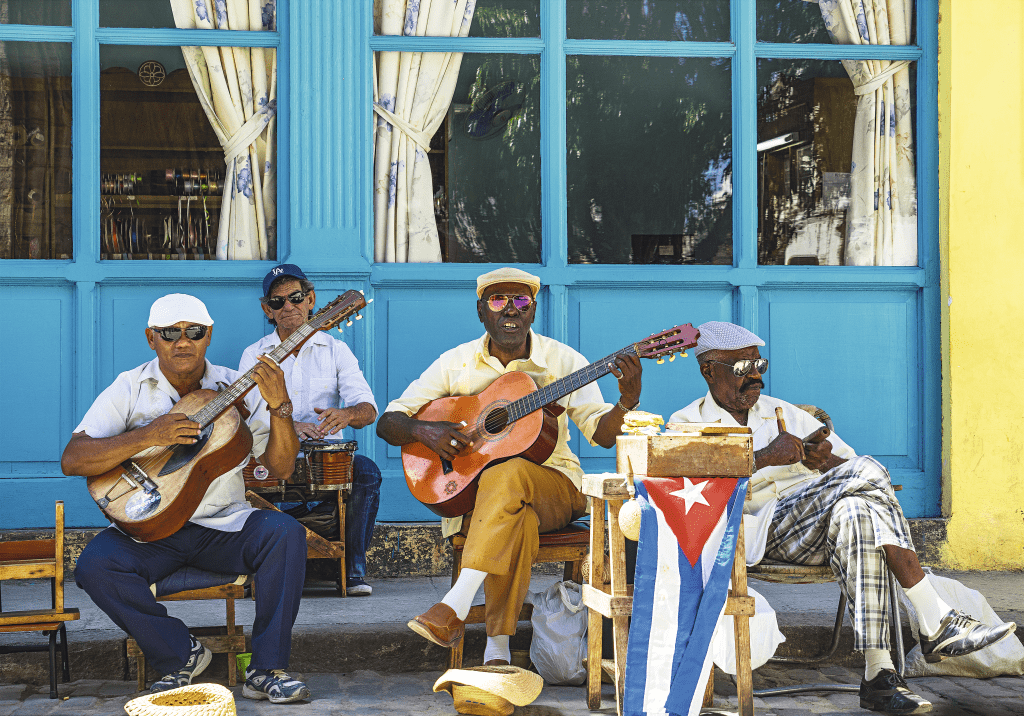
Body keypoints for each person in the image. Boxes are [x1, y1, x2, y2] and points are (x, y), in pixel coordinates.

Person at [670, 321, 1016, 716]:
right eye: (740, 368)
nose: (754, 377)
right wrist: (764, 457)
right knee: (866, 477)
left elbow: (855, 472)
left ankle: (879, 675)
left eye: (759, 365)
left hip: (822, 533)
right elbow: (694, 499)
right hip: (755, 532)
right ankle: (933, 615)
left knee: (857, 511)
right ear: (708, 369)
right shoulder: (686, 423)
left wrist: (825, 462)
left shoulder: (783, 412)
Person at [376, 267, 643, 666]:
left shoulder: (564, 360)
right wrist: (424, 430)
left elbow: (601, 435)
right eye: (499, 301)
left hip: (557, 487)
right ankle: (497, 652)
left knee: (507, 472)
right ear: (481, 311)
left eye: (521, 301)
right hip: (484, 500)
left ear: (533, 311)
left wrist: (626, 401)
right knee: (514, 515)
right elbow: (388, 422)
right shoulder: (456, 364)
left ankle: (455, 604)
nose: (510, 310)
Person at [62, 293, 311, 704]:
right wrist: (149, 435)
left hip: (223, 525)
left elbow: (281, 468)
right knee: (94, 565)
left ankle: (267, 669)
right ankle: (181, 654)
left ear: (208, 335)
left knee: (285, 533)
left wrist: (280, 405)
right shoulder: (130, 386)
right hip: (151, 529)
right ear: (150, 338)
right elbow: (74, 458)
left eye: (193, 332)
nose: (182, 341)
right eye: (169, 333)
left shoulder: (236, 386)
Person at [239, 264, 382, 597]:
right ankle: (251, 568)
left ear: (310, 299)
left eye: (296, 297)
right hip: (271, 452)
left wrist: (346, 414)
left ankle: (354, 569)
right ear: (267, 310)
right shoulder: (254, 354)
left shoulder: (335, 350)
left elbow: (368, 408)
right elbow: (242, 414)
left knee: (367, 473)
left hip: (324, 456)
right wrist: (287, 425)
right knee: (237, 479)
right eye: (277, 302)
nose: (288, 307)